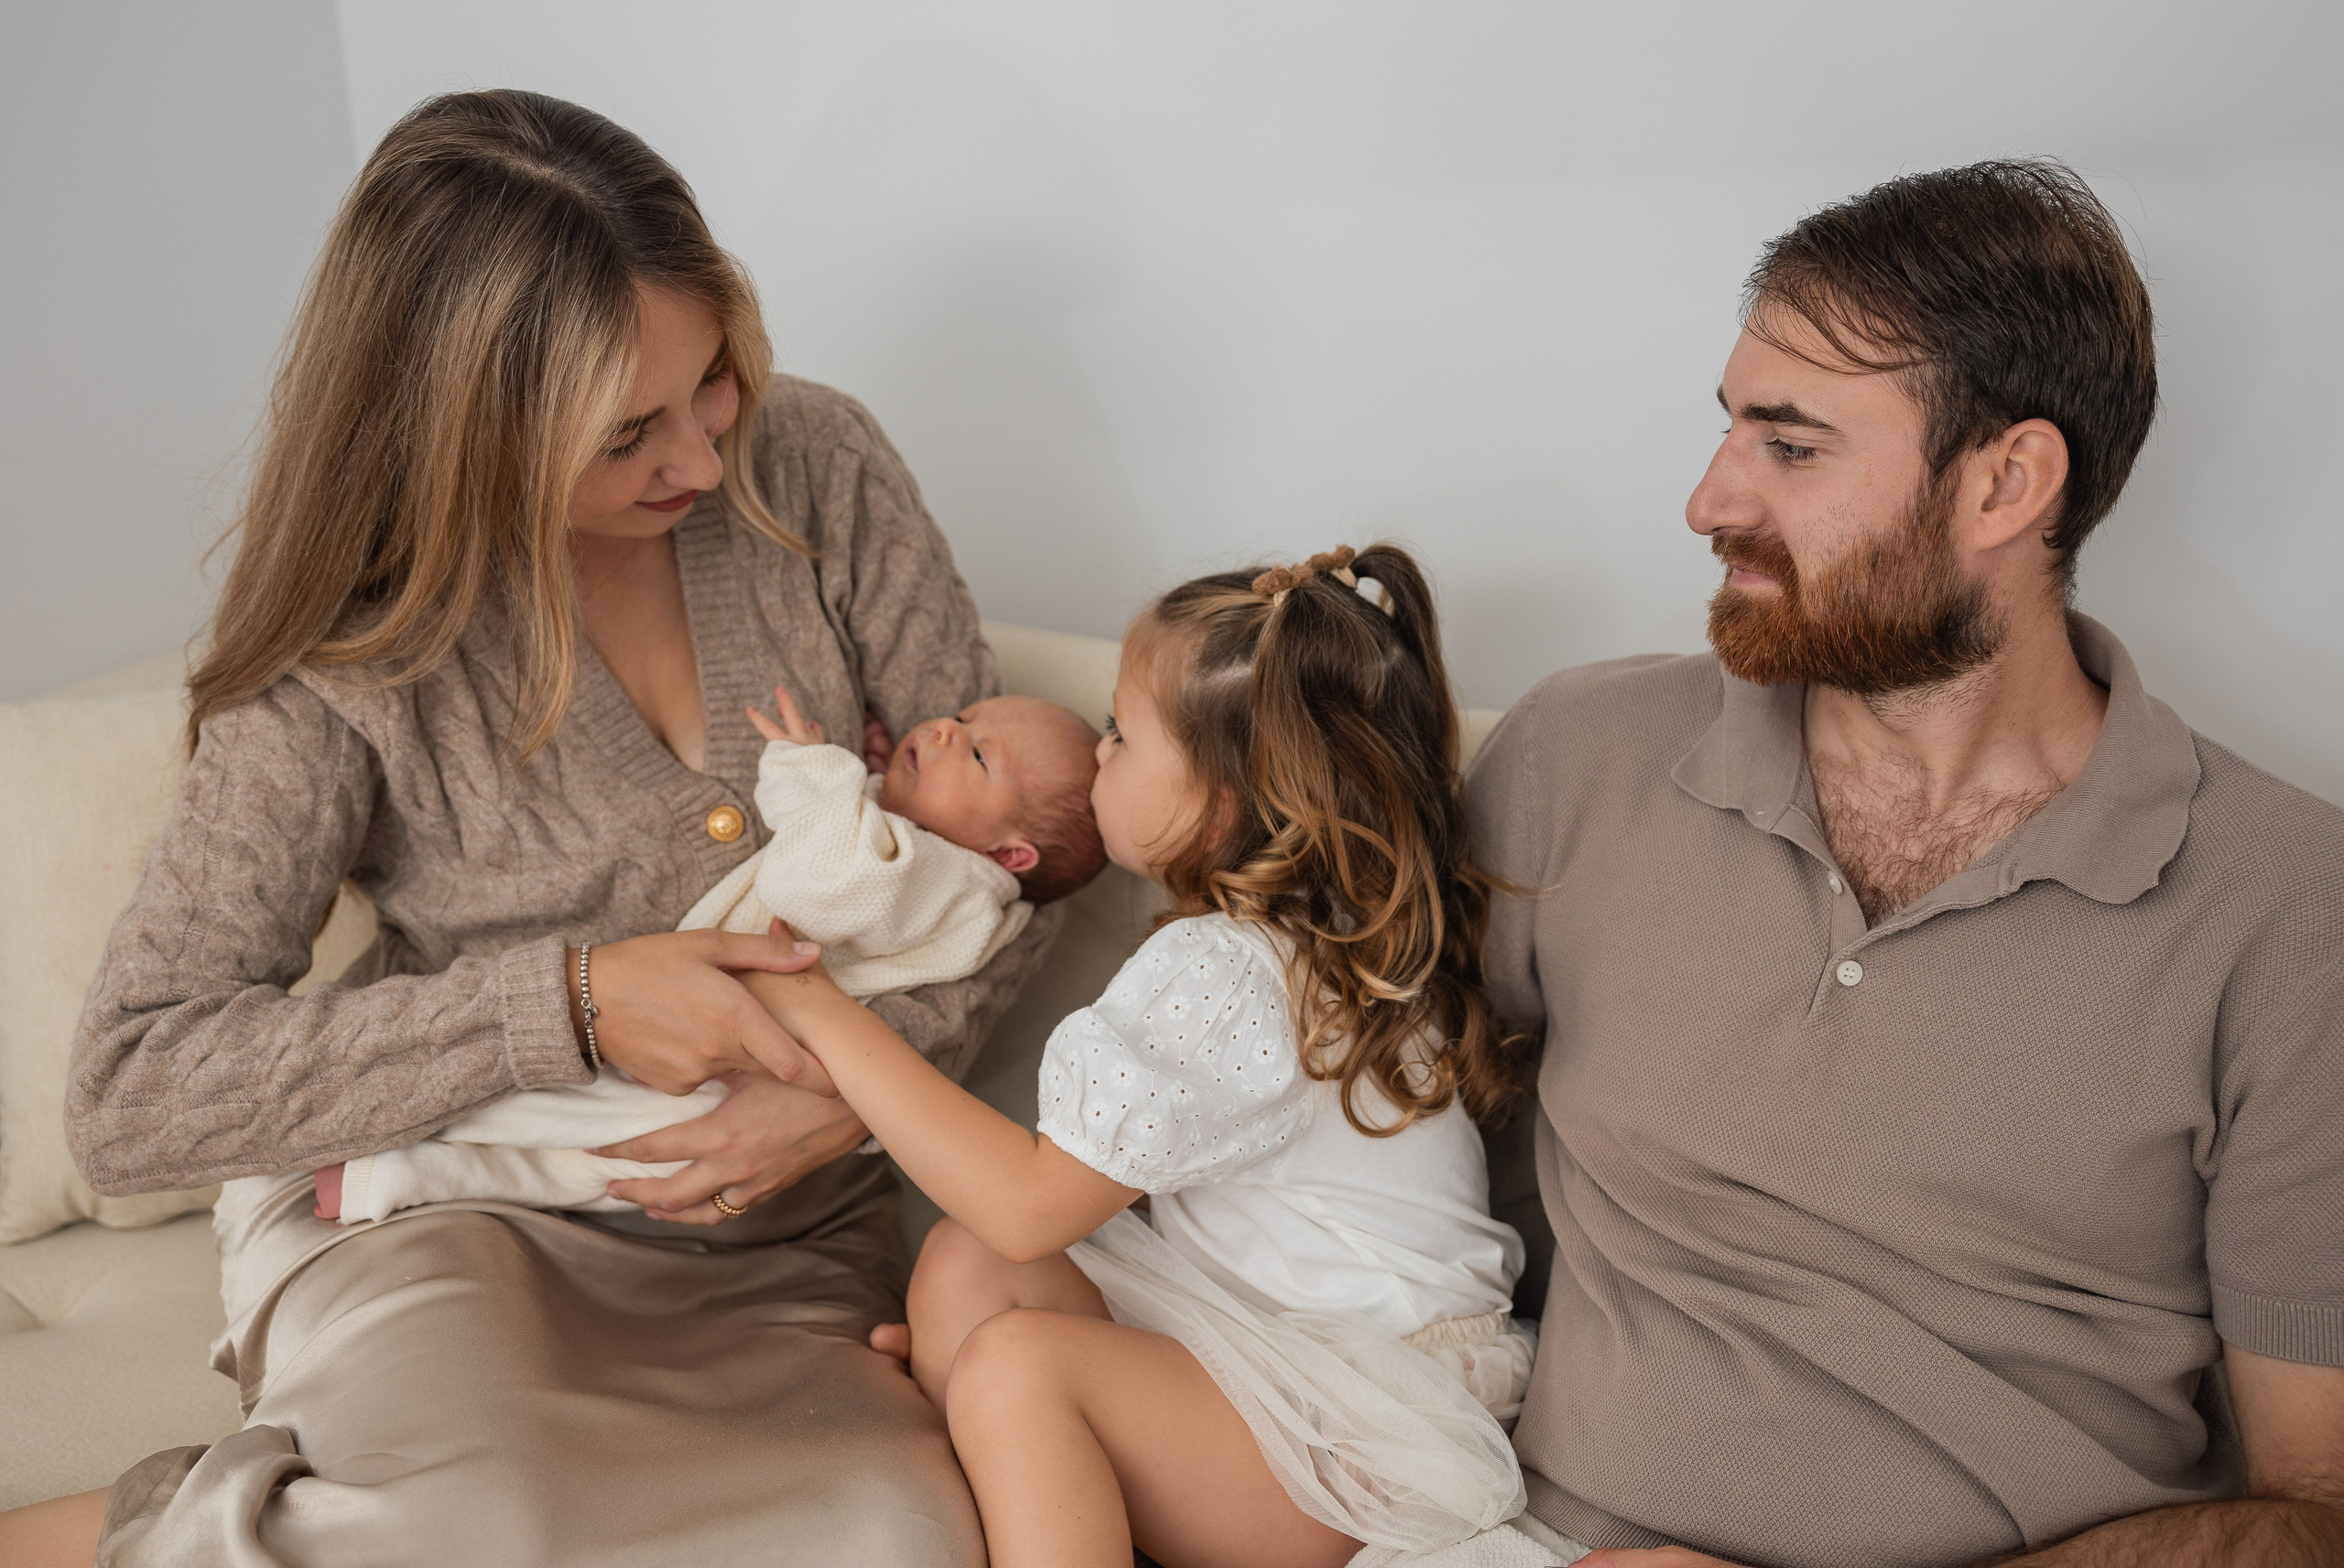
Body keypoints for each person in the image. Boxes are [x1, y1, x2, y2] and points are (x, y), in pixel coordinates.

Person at [0, 90, 1058, 1566]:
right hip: (455, 1211)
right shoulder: (353, 653)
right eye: (625, 435)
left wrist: (856, 1089)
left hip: (777, 1226)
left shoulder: (819, 462)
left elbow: (1008, 864)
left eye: (713, 380)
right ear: (462, 439)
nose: (702, 461)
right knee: (483, 1531)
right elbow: (132, 1090)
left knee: (889, 1540)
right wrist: (568, 1002)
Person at [1471, 160, 2344, 1568]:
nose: (1709, 500)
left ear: (2005, 483)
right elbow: (1341, 1129)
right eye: (1728, 428)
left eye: (1793, 447)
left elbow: (2319, 1508)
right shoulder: (1578, 757)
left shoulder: (2295, 911)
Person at [751, 546, 1541, 1567]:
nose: (1096, 754)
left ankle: (1010, 1438)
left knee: (1017, 1362)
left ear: (1218, 807)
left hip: (1364, 1445)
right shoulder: (1325, 936)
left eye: (1121, 734)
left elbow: (1029, 1200)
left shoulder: (1227, 970)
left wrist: (818, 1007)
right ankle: (1019, 1467)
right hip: (1287, 1356)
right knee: (969, 1264)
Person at [318, 686, 1107, 1223]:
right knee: (599, 1158)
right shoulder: (927, 853)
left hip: (745, 1074)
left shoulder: (954, 882)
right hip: (721, 1051)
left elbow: (813, 886)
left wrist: (819, 770)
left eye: (977, 756)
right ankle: (419, 1172)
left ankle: (408, 1138)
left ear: (1010, 857)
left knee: (580, 1126)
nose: (942, 731)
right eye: (962, 716)